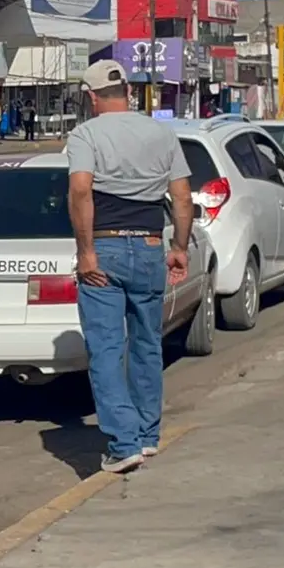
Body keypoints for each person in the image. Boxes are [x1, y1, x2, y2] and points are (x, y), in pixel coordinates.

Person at [66, 59, 193, 474]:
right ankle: (147, 434)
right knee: (147, 344)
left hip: (105, 248)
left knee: (105, 349)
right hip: (152, 244)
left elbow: (81, 190)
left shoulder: (85, 134)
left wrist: (86, 253)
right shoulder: (161, 133)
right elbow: (183, 198)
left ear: (91, 96)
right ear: (128, 92)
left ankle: (124, 444)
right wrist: (179, 246)